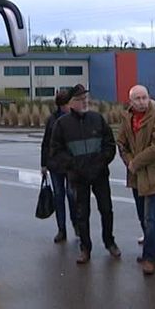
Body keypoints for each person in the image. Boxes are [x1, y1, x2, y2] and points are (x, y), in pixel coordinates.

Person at [50, 84, 120, 264]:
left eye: (86, 99)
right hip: (78, 177)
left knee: (106, 209)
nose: (84, 103)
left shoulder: (97, 119)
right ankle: (85, 248)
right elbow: (56, 152)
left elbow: (110, 145)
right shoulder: (62, 125)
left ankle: (109, 241)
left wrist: (100, 162)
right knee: (82, 213)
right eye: (80, 100)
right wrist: (74, 165)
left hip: (100, 175)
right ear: (71, 103)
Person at [116, 85, 155, 275]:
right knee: (142, 216)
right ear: (130, 101)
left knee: (150, 218)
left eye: (144, 98)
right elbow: (121, 144)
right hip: (136, 176)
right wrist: (129, 162)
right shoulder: (127, 118)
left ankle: (149, 257)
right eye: (137, 99)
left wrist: (136, 162)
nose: (141, 102)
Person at [41, 90, 78, 243]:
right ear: (63, 105)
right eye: (68, 103)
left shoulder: (75, 119)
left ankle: (76, 226)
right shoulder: (52, 120)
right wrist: (43, 164)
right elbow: (46, 143)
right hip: (55, 165)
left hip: (70, 165)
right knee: (58, 197)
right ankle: (61, 229)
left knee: (72, 196)